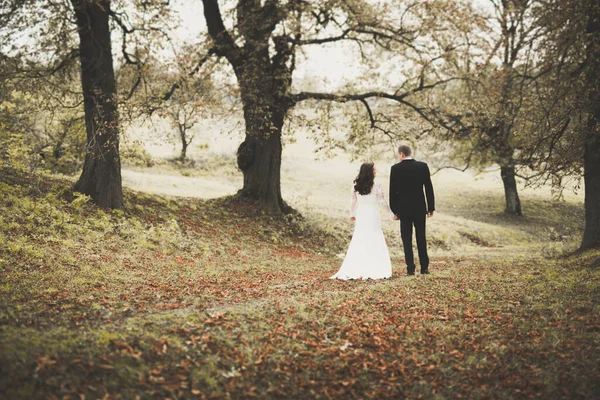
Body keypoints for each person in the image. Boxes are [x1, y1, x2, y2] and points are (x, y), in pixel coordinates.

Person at [330, 163, 394, 280]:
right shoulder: (377, 185)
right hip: (372, 213)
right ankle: (375, 266)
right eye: (374, 169)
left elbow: (353, 201)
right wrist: (391, 214)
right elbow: (382, 202)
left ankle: (361, 265)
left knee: (361, 237)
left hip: (362, 213)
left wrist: (352, 213)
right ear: (369, 171)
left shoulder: (356, 184)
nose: (376, 171)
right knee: (373, 236)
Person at [389, 145, 435, 276]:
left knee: (406, 238)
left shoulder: (395, 169)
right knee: (421, 237)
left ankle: (410, 268)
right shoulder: (422, 166)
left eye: (399, 155)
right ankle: (424, 267)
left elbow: (393, 192)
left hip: (404, 209)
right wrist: (431, 207)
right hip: (420, 207)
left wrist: (395, 211)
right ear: (410, 153)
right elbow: (428, 188)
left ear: (402, 154)